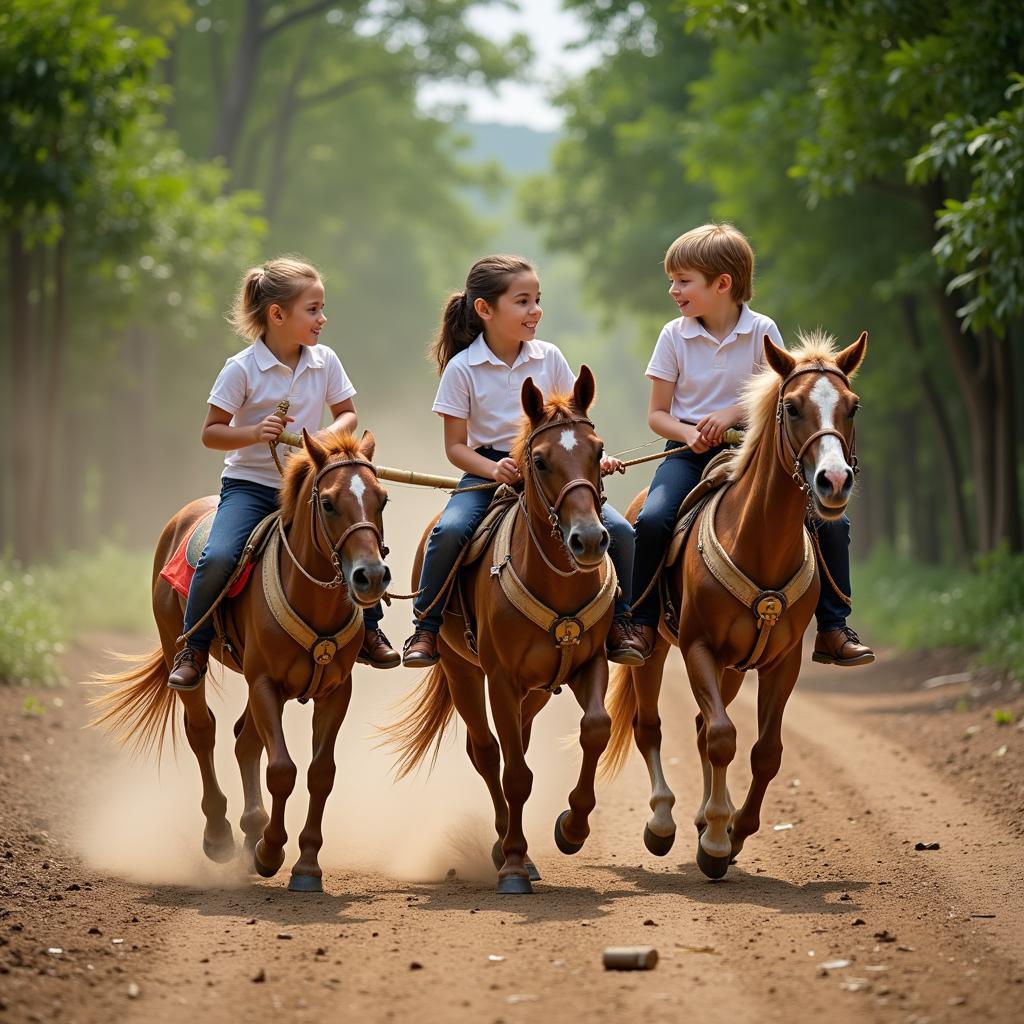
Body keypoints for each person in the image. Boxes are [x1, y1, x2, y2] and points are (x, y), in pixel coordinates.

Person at [629, 223, 874, 667]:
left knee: (832, 524)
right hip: (688, 453)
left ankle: (833, 628)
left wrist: (728, 416)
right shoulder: (673, 335)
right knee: (652, 518)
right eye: (672, 280)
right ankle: (642, 623)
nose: (673, 290)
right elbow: (657, 414)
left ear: (722, 284)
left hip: (756, 453)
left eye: (683, 281)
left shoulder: (763, 330)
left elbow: (784, 397)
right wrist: (688, 433)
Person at [167, 256, 399, 691]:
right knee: (217, 557)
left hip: (310, 485)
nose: (322, 319)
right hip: (251, 487)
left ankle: (370, 628)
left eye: (321, 308)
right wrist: (254, 431)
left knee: (360, 537)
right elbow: (211, 433)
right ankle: (193, 647)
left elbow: (347, 413)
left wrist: (324, 439)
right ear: (277, 315)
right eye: (312, 310)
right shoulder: (241, 368)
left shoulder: (325, 360)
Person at [401, 254, 644, 668]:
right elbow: (455, 447)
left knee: (620, 530)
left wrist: (592, 462)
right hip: (489, 471)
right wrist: (492, 469)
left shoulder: (549, 357)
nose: (536, 311)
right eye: (523, 301)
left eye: (537, 299)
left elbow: (574, 425)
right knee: (449, 530)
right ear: (485, 309)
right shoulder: (462, 369)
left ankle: (624, 621)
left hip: (554, 468)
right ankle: (426, 627)